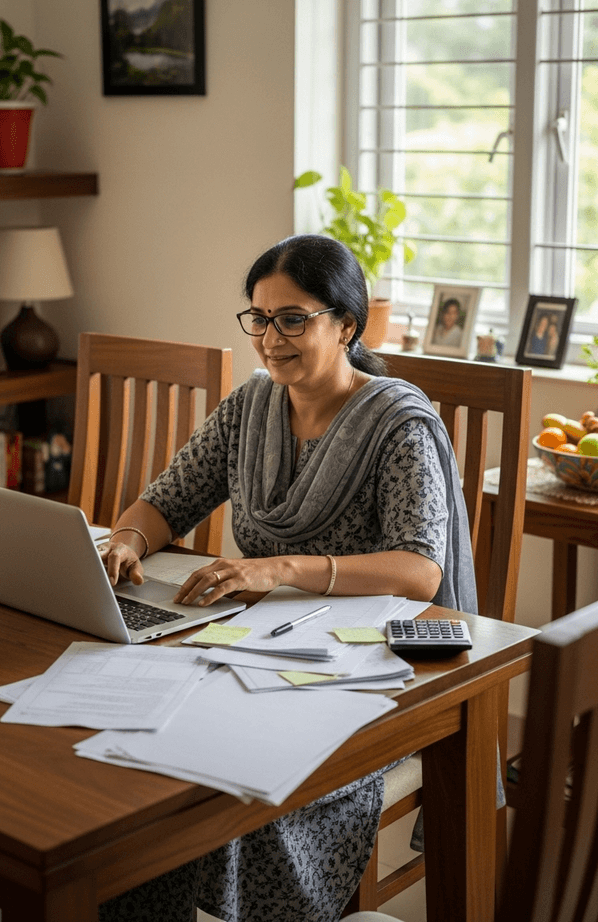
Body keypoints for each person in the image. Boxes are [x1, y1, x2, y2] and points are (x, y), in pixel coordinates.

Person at [98, 234, 477, 922]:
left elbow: (419, 571)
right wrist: (127, 539)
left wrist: (279, 568)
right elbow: (166, 500)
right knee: (142, 781)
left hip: (360, 668)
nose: (270, 339)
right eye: (259, 318)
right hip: (251, 651)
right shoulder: (250, 408)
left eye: (293, 319)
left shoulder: (396, 423)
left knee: (244, 798)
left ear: (347, 326)